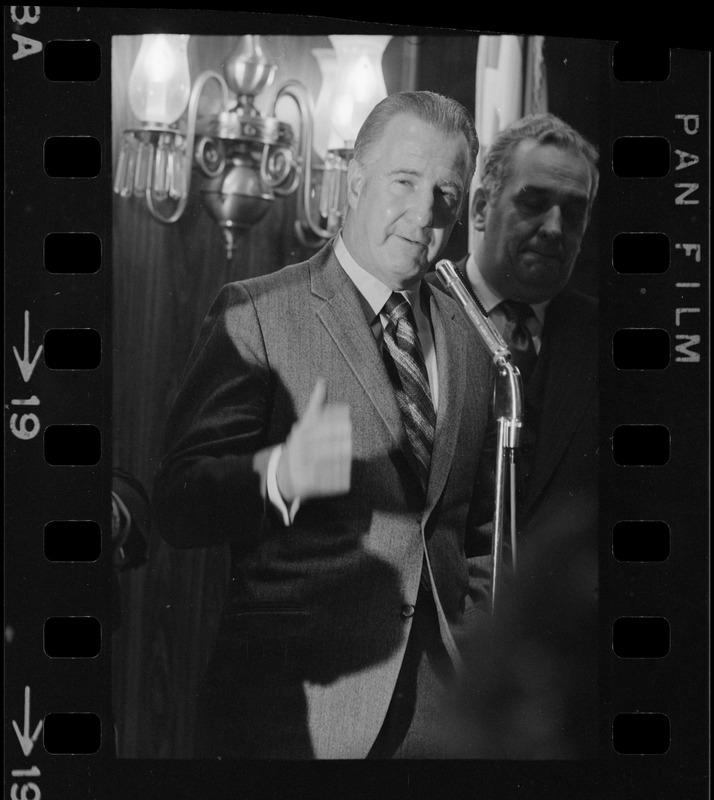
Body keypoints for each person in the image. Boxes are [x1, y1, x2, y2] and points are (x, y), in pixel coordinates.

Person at [152, 91, 494, 759]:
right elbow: (177, 503)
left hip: (438, 721)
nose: (424, 212)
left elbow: (474, 531)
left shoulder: (472, 338)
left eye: (445, 193)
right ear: (356, 179)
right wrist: (279, 473)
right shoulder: (258, 312)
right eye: (404, 181)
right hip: (292, 716)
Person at [455, 113, 600, 757]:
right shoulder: (414, 316)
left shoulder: (611, 344)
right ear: (482, 205)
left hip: (560, 705)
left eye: (575, 211)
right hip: (430, 685)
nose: (554, 228)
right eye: (534, 203)